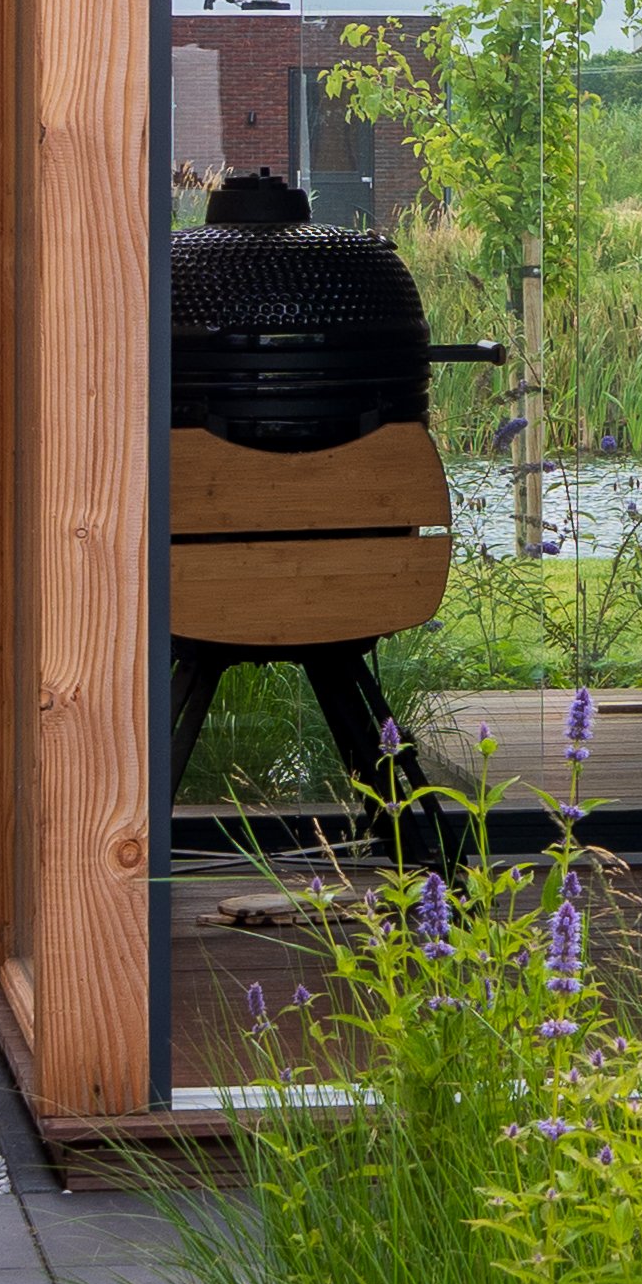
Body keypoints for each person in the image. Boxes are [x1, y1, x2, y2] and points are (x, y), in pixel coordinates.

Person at [160, 166, 441, 809]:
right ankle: (405, 843)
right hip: (356, 574)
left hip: (194, 580)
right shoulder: (364, 271)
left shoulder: (173, 271)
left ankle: (136, 847)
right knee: (343, 675)